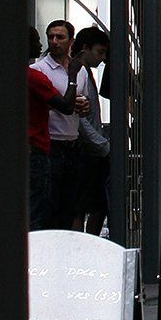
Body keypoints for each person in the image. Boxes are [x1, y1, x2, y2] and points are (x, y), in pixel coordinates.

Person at [30, 20, 87, 229]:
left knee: (70, 206)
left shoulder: (79, 70)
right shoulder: (38, 70)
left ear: (71, 41)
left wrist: (83, 106)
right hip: (50, 144)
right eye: (50, 37)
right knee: (48, 206)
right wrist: (68, 104)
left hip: (73, 142)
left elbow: (80, 100)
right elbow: (60, 104)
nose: (54, 42)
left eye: (60, 37)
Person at [72, 26, 110, 235]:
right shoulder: (78, 72)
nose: (102, 58)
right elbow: (80, 119)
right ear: (85, 48)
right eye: (99, 52)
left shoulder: (84, 72)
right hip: (88, 149)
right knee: (86, 204)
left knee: (95, 204)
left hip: (91, 147)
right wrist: (102, 144)